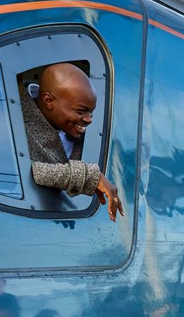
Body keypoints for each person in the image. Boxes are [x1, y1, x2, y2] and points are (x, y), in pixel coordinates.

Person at [21, 62, 122, 221]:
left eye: (91, 111)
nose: (89, 120)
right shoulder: (16, 122)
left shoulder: (77, 130)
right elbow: (25, 172)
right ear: (48, 100)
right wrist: (90, 176)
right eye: (81, 111)